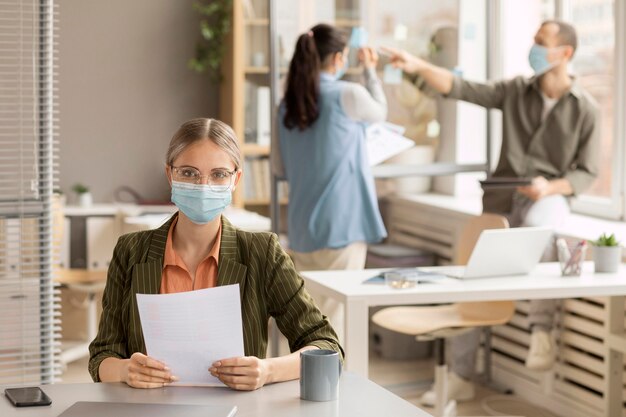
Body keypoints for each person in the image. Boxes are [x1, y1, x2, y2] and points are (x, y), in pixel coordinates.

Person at [384, 20, 599, 405]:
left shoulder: (586, 109)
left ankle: (540, 330)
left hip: (546, 197)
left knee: (544, 226)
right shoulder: (517, 90)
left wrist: (548, 187)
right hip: (499, 200)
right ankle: (460, 375)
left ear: (564, 53)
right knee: (474, 280)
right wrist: (416, 65)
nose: (532, 47)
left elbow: (587, 172)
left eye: (541, 42)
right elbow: (463, 88)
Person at [88, 118, 343, 390]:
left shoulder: (263, 253)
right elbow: (102, 356)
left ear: (236, 179)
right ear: (169, 174)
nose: (203, 186)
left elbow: (328, 347)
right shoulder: (130, 251)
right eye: (189, 173)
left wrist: (268, 370)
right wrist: (126, 370)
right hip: (149, 410)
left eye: (219, 174)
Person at [276, 23, 388, 272]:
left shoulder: (285, 106)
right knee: (337, 310)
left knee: (310, 307)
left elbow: (278, 167)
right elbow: (380, 112)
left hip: (301, 228)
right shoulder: (348, 94)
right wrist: (370, 71)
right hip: (341, 226)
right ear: (338, 58)